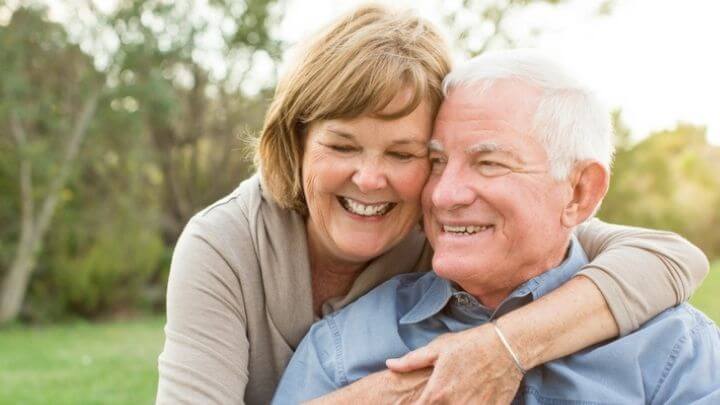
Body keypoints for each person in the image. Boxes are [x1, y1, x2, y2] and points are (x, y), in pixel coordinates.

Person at [156, 6, 710, 405]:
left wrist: (502, 347)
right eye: (341, 145)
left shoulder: (449, 222)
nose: (371, 179)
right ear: (296, 142)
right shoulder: (228, 248)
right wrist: (424, 384)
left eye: (407, 153)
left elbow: (669, 258)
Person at [273, 49, 720, 404]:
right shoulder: (341, 348)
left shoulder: (677, 351)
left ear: (580, 192)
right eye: (437, 161)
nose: (445, 195)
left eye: (488, 163)